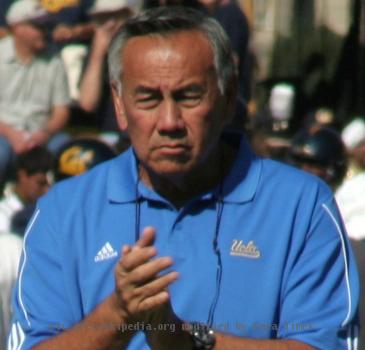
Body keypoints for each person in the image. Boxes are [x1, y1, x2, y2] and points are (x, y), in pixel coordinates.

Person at [8, 7, 359, 350]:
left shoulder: (301, 206)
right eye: (147, 99)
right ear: (118, 104)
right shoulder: (63, 210)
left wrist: (186, 340)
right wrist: (118, 314)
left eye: (189, 96)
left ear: (228, 96)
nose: (169, 122)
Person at [0, 0, 71, 186]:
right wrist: (11, 134)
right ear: (17, 27)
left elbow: (61, 111)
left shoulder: (54, 61)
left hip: (43, 133)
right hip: (4, 133)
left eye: (46, 25)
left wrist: (44, 134)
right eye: (37, 26)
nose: (44, 31)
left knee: (67, 153)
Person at [0, 146, 53, 233]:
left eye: (50, 186)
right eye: (41, 183)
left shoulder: (49, 213)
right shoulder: (2, 215)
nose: (47, 190)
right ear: (23, 176)